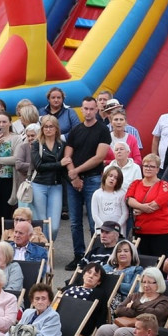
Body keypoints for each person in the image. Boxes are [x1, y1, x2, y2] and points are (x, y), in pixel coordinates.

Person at [62, 97, 111, 269]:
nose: (88, 112)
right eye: (85, 108)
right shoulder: (75, 130)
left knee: (93, 221)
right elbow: (67, 155)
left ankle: (94, 256)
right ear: (81, 109)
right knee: (75, 222)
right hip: (73, 180)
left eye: (91, 109)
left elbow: (99, 157)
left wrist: (77, 171)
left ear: (97, 109)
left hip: (93, 179)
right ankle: (78, 255)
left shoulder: (103, 130)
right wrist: (74, 176)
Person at [88, 267, 168, 336]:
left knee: (120, 333)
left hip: (144, 330)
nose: (146, 285)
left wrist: (134, 306)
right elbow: (119, 310)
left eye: (150, 282)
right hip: (125, 324)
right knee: (103, 330)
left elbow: (156, 314)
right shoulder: (135, 295)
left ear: (158, 283)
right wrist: (141, 311)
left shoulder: (164, 300)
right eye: (143, 282)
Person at [29, 114, 66, 235]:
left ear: (56, 128)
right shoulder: (36, 144)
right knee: (42, 222)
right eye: (45, 126)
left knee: (54, 226)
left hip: (56, 185)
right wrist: (59, 164)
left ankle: (48, 247)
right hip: (39, 184)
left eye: (51, 126)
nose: (48, 129)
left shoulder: (62, 145)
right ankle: (45, 252)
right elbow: (38, 166)